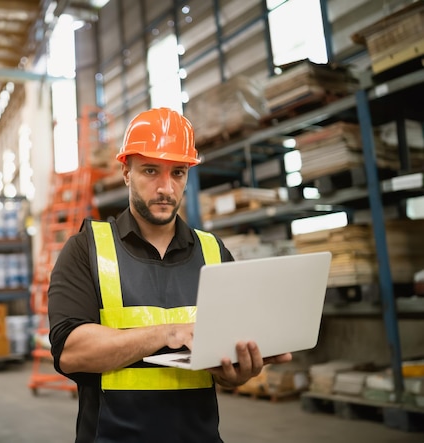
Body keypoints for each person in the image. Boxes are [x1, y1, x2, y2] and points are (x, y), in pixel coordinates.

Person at [48, 107, 293, 442]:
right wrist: (167, 332)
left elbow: (226, 361)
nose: (166, 187)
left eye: (178, 172)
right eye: (151, 170)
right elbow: (72, 352)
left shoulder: (213, 252)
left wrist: (237, 373)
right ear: (126, 172)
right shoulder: (86, 249)